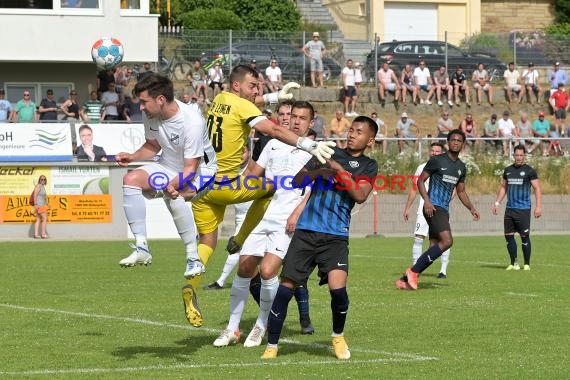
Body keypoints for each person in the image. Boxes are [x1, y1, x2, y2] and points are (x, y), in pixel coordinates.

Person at [180, 65, 335, 328]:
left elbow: (252, 103)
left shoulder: (220, 100)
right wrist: (308, 143)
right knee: (271, 187)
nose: (257, 91)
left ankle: (191, 283)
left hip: (202, 189)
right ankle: (240, 238)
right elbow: (273, 130)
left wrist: (276, 98)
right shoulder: (243, 107)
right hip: (225, 184)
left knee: (207, 240)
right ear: (238, 86)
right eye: (253, 86)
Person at [261, 116, 379, 360]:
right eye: (351, 130)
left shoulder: (369, 165)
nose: (352, 134)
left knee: (338, 291)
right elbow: (297, 180)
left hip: (335, 237)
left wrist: (338, 171)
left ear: (370, 140)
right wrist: (320, 170)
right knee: (285, 289)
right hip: (306, 232)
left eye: (359, 132)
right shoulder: (329, 151)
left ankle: (337, 335)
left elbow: (359, 195)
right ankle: (272, 345)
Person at [213, 101, 317, 348]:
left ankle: (262, 324)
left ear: (311, 123)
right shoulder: (271, 144)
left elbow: (313, 190)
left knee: (269, 271)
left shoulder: (313, 150)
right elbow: (251, 177)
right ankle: (232, 328)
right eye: (294, 117)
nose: (296, 121)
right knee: (244, 268)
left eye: (303, 118)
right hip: (261, 215)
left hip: (285, 221)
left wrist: (296, 214)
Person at [115, 73, 218, 282]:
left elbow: (190, 169)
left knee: (175, 194)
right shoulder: (150, 114)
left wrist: (169, 186)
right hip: (168, 164)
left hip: (202, 172)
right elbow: (153, 146)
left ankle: (193, 257)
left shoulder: (192, 122)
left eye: (144, 102)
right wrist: (133, 156)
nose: (141, 107)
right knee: (130, 180)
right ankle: (142, 246)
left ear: (160, 99)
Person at [395, 129, 480, 290]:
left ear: (463, 144)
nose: (455, 142)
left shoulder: (461, 167)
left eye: (459, 140)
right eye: (453, 140)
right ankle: (413, 272)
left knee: (434, 247)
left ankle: (405, 280)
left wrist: (471, 208)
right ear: (448, 142)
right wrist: (426, 201)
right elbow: (420, 181)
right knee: (447, 241)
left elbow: (461, 191)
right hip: (433, 208)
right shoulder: (437, 160)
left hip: (444, 210)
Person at [403, 142, 451, 278]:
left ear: (441, 152)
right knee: (418, 238)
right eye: (432, 151)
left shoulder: (447, 168)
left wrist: (446, 201)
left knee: (444, 239)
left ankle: (443, 270)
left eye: (437, 151)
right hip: (423, 208)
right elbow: (414, 189)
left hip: (441, 209)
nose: (434, 153)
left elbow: (454, 188)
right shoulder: (421, 168)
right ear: (429, 152)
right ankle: (415, 269)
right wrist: (407, 208)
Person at [491, 144, 542, 271]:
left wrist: (538, 207)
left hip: (523, 209)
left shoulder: (530, 171)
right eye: (517, 155)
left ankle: (526, 264)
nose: (519, 157)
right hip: (510, 209)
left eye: (521, 155)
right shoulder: (508, 170)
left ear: (524, 156)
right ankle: (514, 263)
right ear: (513, 155)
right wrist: (497, 203)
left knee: (524, 237)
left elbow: (537, 188)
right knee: (508, 236)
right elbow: (504, 187)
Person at [32, 175, 50, 239]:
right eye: (41, 179)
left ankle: (36, 235)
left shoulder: (42, 187)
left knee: (38, 219)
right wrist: (35, 204)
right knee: (45, 218)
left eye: (44, 179)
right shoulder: (38, 186)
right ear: (39, 180)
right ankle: (43, 234)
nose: (43, 180)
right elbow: (35, 195)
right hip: (39, 205)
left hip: (43, 205)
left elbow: (43, 197)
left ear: (45, 181)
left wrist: (47, 203)